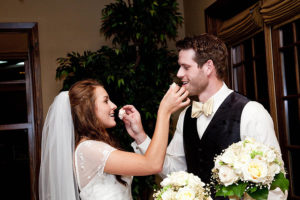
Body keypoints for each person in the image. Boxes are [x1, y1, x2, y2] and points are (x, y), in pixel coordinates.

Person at [129, 34, 287, 200]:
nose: (179, 73)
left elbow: (276, 187)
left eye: (186, 67)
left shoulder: (251, 112)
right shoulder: (185, 116)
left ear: (208, 67)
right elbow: (174, 171)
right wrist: (141, 137)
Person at [39, 79, 190, 200]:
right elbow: (152, 164)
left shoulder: (93, 146)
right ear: (88, 109)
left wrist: (139, 134)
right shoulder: (88, 149)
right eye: (105, 101)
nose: (114, 106)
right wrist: (164, 112)